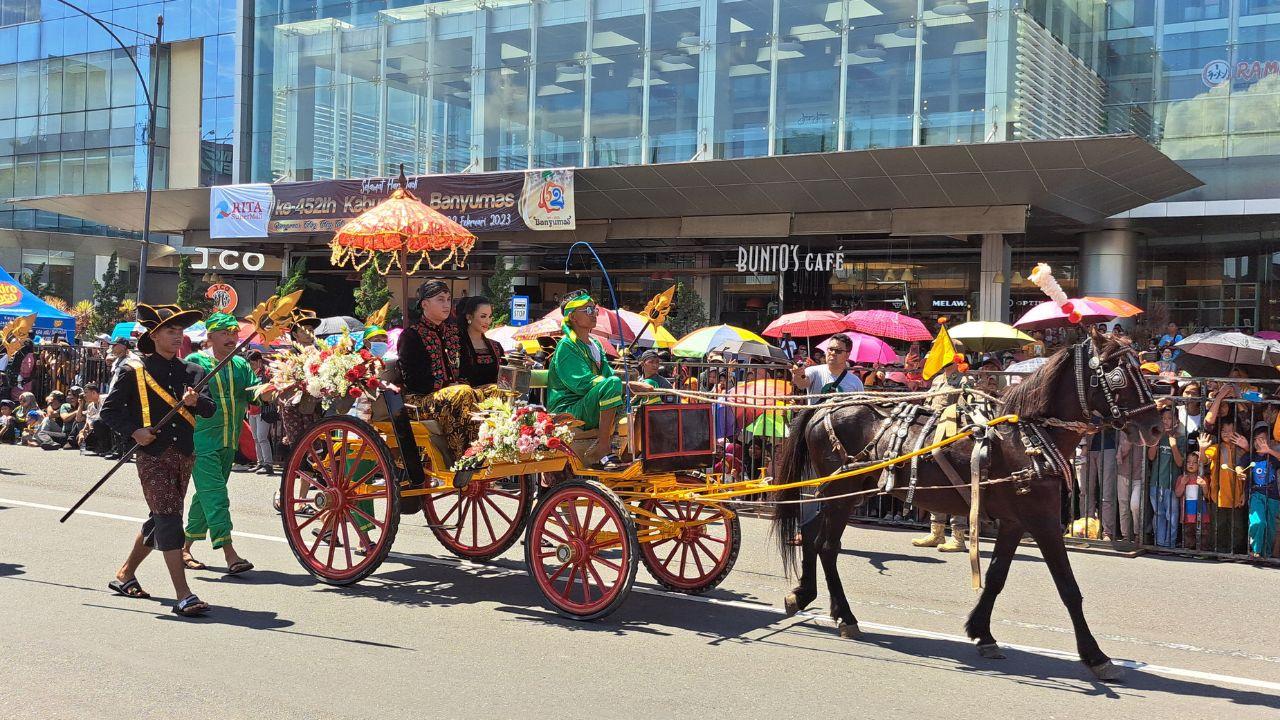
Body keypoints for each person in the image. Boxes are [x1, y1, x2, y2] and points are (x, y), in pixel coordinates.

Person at [99, 303, 216, 617]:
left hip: (184, 455)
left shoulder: (192, 370)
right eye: (170, 330)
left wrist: (196, 400)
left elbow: (210, 408)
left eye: (180, 331)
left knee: (159, 517)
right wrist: (134, 431)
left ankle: (124, 574)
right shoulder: (133, 370)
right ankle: (184, 594)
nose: (178, 336)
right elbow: (109, 412)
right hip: (152, 455)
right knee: (168, 519)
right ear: (154, 334)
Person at [181, 312, 258, 575]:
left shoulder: (241, 365)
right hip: (200, 442)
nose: (231, 338)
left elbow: (255, 394)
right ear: (210, 336)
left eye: (234, 333)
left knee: (206, 498)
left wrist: (277, 389)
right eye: (224, 333)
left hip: (229, 441)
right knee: (216, 496)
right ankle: (230, 553)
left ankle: (184, 547)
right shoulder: (195, 362)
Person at [398, 281, 507, 460]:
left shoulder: (454, 333)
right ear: (424, 304)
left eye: (448, 299)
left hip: (457, 393)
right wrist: (448, 385)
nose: (446, 304)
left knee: (498, 392)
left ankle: (494, 451)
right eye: (440, 300)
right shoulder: (411, 335)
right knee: (461, 393)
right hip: (420, 400)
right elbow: (413, 380)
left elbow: (466, 368)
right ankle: (463, 457)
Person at [546, 290, 648, 467]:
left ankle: (636, 452)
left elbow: (608, 376)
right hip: (569, 408)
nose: (593, 314)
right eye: (587, 310)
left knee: (647, 392)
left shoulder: (596, 344)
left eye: (594, 309)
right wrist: (621, 385)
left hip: (589, 403)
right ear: (573, 317)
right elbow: (581, 383)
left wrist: (631, 385)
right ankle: (602, 446)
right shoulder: (566, 345)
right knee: (614, 384)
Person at [1201, 417, 1249, 555]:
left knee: (1237, 526)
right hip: (1219, 496)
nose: (1227, 433)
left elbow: (1253, 463)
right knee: (1219, 525)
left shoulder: (1242, 449)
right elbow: (1203, 461)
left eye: (1231, 430)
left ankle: (1236, 553)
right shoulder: (1216, 448)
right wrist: (1203, 449)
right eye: (1224, 431)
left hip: (1238, 495)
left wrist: (1246, 447)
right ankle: (1219, 552)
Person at [790, 333, 863, 404]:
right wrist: (798, 375)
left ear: (847, 355)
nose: (833, 353)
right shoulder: (813, 371)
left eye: (838, 351)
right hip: (817, 415)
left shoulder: (855, 382)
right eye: (830, 349)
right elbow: (802, 384)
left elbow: (860, 409)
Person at [1148, 407, 1184, 548]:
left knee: (1172, 516)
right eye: (1163, 419)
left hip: (1172, 484)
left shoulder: (1181, 438)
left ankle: (1170, 543)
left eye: (1169, 418)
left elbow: (1180, 462)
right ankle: (1159, 542)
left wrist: (1173, 445)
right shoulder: (1157, 437)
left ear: (1176, 421)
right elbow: (1151, 457)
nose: (1166, 422)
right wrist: (1156, 439)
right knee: (1158, 513)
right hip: (1156, 483)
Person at [1245, 425, 1280, 558]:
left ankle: (1267, 555)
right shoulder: (1251, 456)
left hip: (1273, 497)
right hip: (1256, 494)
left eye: (1263, 439)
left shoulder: (1272, 457)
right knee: (1258, 522)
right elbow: (1240, 467)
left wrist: (1269, 451)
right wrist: (1239, 473)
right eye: (1256, 439)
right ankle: (1255, 551)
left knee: (1271, 527)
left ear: (1269, 441)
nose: (1259, 442)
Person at [455, 295, 505, 387]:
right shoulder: (456, 345)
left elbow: (505, 378)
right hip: (465, 399)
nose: (488, 321)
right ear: (469, 317)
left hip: (494, 399)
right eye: (483, 316)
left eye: (490, 317)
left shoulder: (496, 346)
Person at [245, 350, 275, 475]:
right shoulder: (249, 374)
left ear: (259, 361)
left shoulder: (266, 374)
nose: (251, 366)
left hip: (264, 410)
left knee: (262, 437)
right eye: (249, 364)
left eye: (252, 363)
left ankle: (268, 464)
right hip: (251, 410)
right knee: (256, 438)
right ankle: (260, 462)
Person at [1115, 423, 1144, 542]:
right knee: (1123, 505)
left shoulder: (1144, 429)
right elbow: (1122, 452)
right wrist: (1130, 438)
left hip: (1139, 474)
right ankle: (1126, 535)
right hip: (1123, 471)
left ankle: (1138, 533)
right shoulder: (1123, 429)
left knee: (1135, 505)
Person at [1176, 452, 1207, 550]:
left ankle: (1202, 551)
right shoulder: (1181, 478)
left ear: (1199, 465)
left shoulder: (1202, 478)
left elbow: (1207, 495)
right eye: (1188, 462)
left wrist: (1204, 485)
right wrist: (1182, 483)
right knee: (1188, 534)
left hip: (1202, 513)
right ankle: (1188, 549)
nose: (1191, 464)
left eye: (1194, 462)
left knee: (1203, 534)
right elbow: (1177, 493)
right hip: (1187, 514)